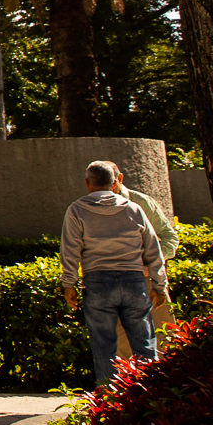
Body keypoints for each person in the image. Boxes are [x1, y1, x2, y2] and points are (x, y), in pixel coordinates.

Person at [61, 160, 169, 386]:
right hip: (134, 281)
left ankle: (109, 401)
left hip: (98, 282)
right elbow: (153, 251)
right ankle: (150, 395)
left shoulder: (77, 210)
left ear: (87, 183)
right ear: (114, 183)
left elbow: (70, 251)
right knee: (145, 343)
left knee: (104, 346)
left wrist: (69, 284)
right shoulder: (133, 208)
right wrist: (159, 286)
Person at [110, 164, 179, 360]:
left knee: (165, 340)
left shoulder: (141, 202)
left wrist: (151, 263)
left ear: (120, 178)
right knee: (121, 347)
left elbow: (169, 237)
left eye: (111, 183)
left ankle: (166, 386)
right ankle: (124, 389)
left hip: (149, 282)